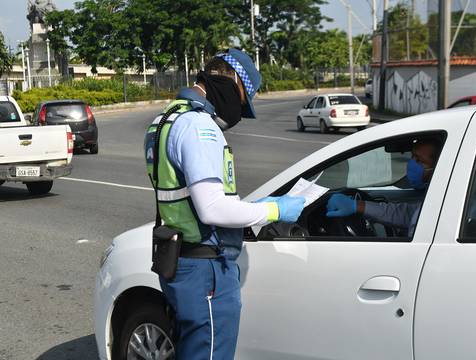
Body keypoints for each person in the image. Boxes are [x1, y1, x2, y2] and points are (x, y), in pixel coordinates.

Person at [144, 48, 305, 360]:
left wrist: (252, 205)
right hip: (207, 269)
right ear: (230, 79)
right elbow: (212, 209)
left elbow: (192, 197)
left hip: (182, 261)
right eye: (243, 101)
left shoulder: (165, 119)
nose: (239, 112)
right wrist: (274, 210)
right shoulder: (199, 126)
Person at [326, 139, 441, 237]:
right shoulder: (438, 197)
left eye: (419, 160)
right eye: (412, 156)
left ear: (439, 165)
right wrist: (356, 206)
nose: (412, 163)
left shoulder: (448, 202)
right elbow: (408, 214)